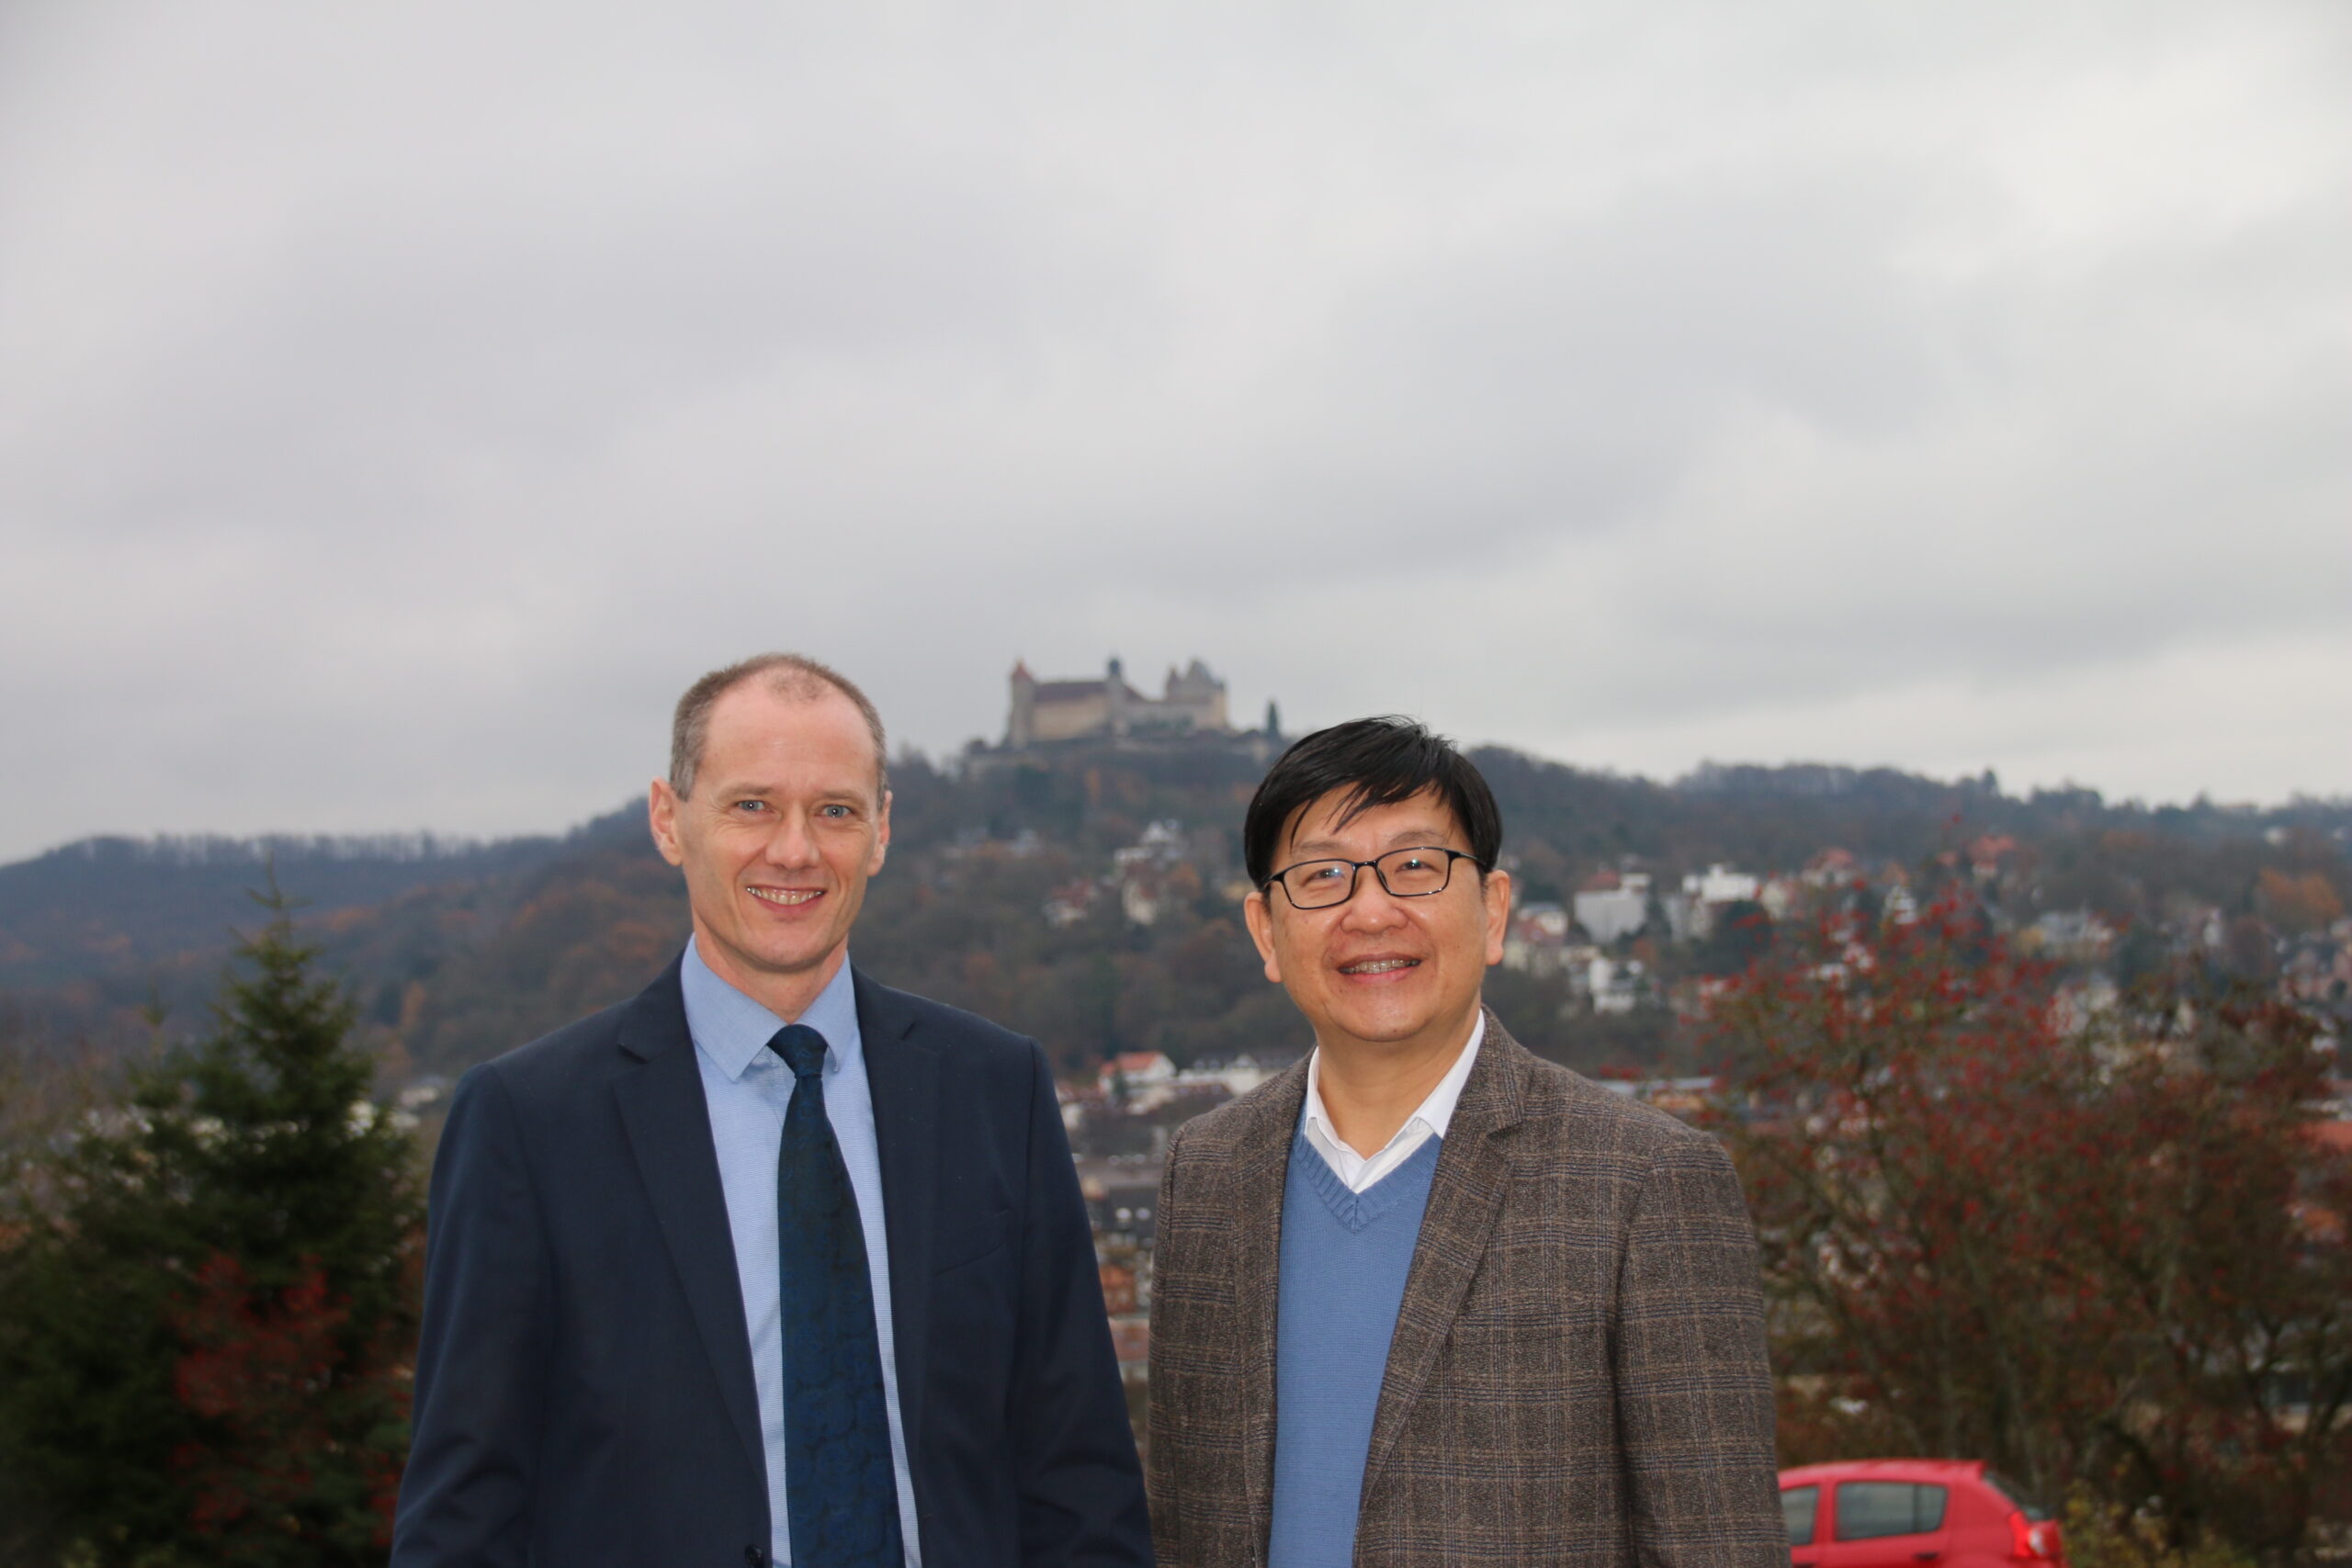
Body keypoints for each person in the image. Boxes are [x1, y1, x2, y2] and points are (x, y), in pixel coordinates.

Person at [394, 653, 1149, 1568]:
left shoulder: (996, 1091)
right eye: (751, 805)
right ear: (669, 821)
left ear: (879, 833)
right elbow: (464, 1513)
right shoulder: (529, 1122)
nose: (794, 850)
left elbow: (1080, 1477)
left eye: (834, 810)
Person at [1147, 716, 1783, 1568]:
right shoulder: (1206, 1174)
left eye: (1414, 866)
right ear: (1267, 930)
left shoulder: (1645, 1182)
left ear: (1492, 909)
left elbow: (1720, 1543)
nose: (1370, 911)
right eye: (1324, 875)